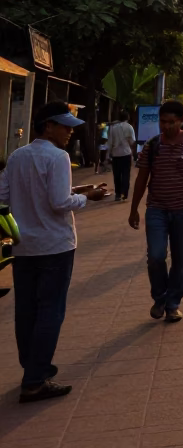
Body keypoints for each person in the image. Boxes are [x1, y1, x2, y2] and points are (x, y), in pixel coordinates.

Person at [0, 102, 107, 402]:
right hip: (55, 246)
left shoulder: (17, 156)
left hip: (24, 246)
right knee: (50, 311)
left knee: (27, 311)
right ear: (48, 125)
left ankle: (33, 367)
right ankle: (35, 378)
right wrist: (89, 198)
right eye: (65, 126)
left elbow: (3, 197)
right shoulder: (58, 157)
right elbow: (59, 203)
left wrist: (78, 192)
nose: (70, 132)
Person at [128, 99, 183, 323]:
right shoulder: (153, 146)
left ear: (182, 121)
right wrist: (134, 209)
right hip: (157, 210)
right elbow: (142, 179)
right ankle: (159, 297)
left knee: (181, 261)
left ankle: (173, 304)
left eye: (172, 122)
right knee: (155, 256)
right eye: (163, 122)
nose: (167, 126)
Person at [105, 110, 137, 201]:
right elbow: (132, 142)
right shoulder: (129, 127)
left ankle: (118, 194)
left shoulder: (112, 128)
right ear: (128, 118)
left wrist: (107, 156)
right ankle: (125, 193)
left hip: (116, 155)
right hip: (126, 153)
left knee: (117, 175)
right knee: (126, 174)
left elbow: (110, 143)